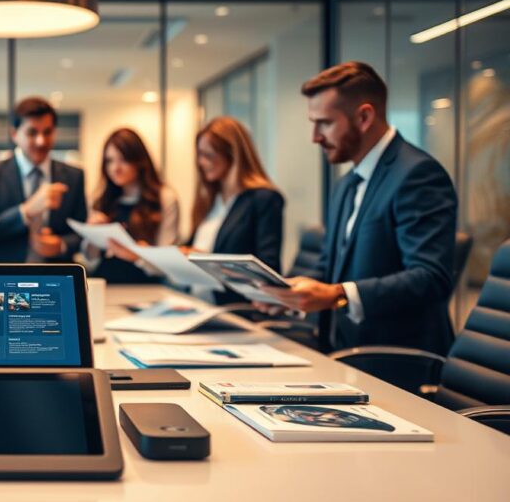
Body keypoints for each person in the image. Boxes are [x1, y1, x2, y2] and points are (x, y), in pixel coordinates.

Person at [256, 61, 457, 356]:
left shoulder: (417, 175)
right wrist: (287, 294)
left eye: (325, 123)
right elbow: (330, 267)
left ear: (364, 117)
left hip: (395, 358)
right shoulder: (346, 184)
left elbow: (430, 277)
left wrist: (338, 295)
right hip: (340, 350)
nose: (315, 137)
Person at [0, 97, 87, 262]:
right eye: (32, 133)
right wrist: (26, 211)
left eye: (47, 132)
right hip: (7, 273)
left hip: (58, 273)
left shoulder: (74, 176)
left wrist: (61, 244)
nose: (41, 141)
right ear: (14, 134)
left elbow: (82, 231)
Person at [181, 116, 284, 272]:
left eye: (208, 155)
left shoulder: (264, 199)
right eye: (200, 155)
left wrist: (207, 261)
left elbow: (268, 266)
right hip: (194, 286)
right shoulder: (211, 199)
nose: (201, 162)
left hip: (230, 289)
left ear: (233, 154)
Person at [84, 128, 179, 283]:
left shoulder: (164, 198)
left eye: (123, 160)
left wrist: (136, 255)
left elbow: (168, 263)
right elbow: (90, 259)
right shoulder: (101, 199)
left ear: (139, 161)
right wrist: (91, 235)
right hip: (105, 283)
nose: (115, 168)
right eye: (109, 161)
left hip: (144, 287)